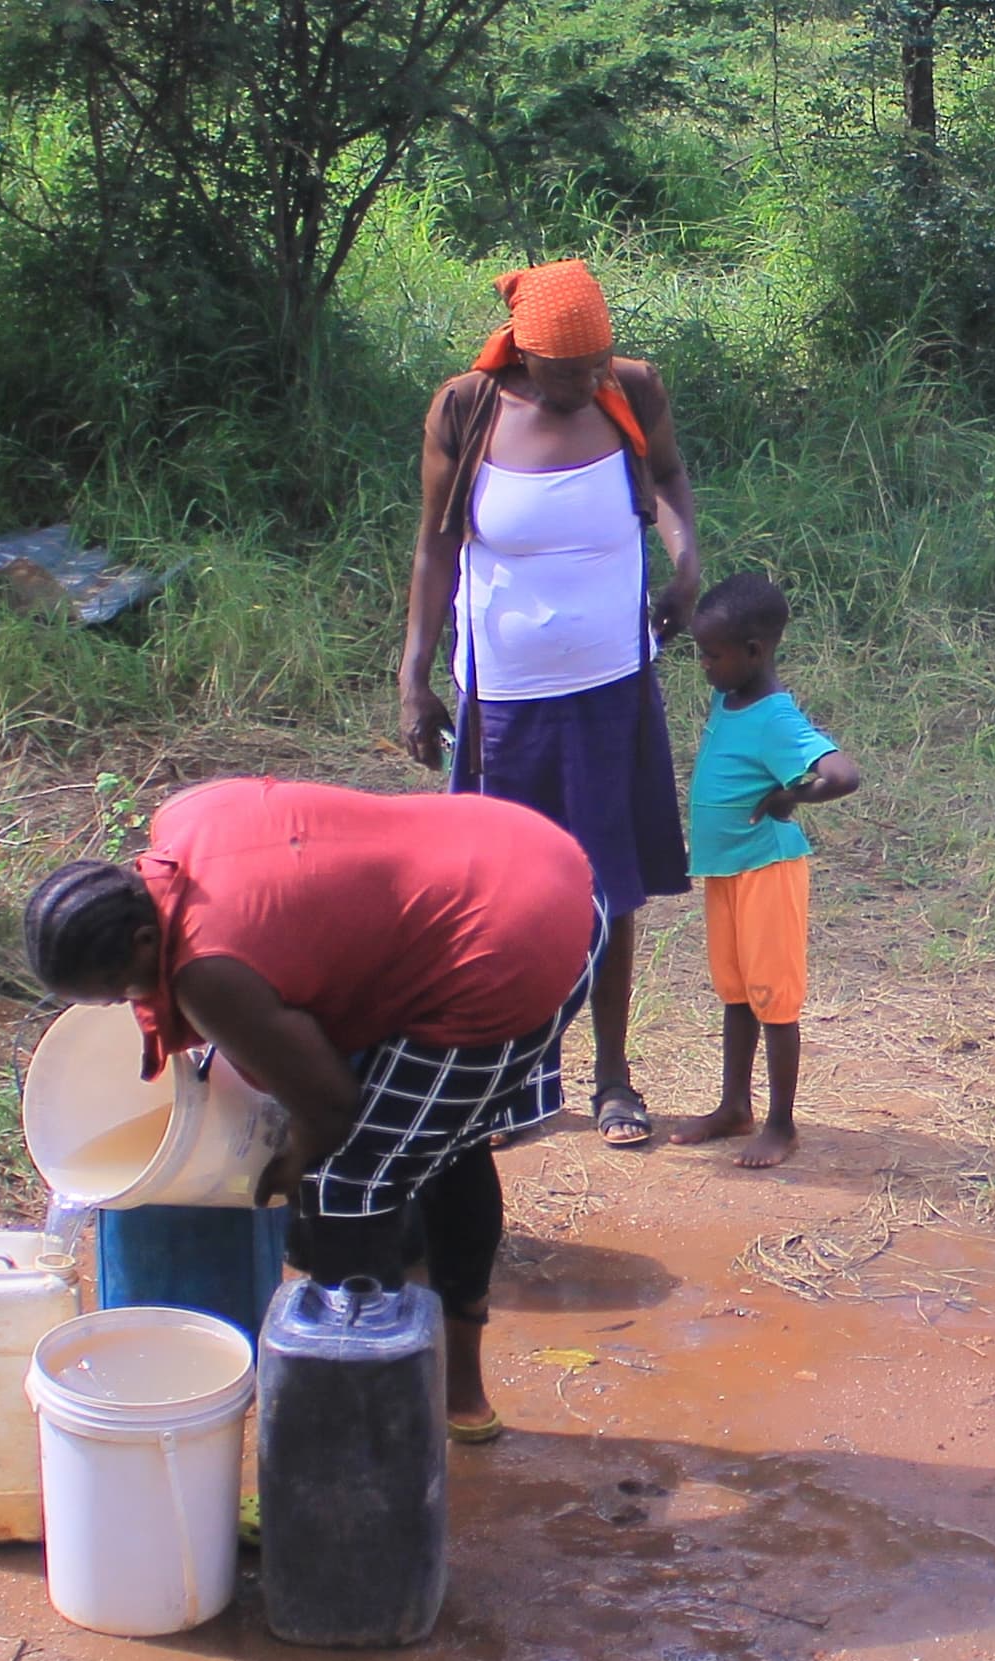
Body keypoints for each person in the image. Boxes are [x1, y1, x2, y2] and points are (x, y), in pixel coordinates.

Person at [19, 780, 604, 1443]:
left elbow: (329, 1110)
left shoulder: (206, 971)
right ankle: (450, 1390)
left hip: (509, 938)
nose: (127, 1003)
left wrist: (290, 1168)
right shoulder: (184, 819)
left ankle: (366, 1432)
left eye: (119, 988)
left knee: (348, 1187)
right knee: (440, 1137)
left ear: (141, 939)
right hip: (523, 852)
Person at [397, 257, 702, 1152]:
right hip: (504, 698)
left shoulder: (631, 392)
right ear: (525, 358)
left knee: (611, 888)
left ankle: (613, 1078)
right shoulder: (468, 409)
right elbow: (433, 550)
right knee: (503, 896)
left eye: (599, 363)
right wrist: (415, 678)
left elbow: (673, 484)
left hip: (612, 686)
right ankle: (508, 1081)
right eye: (571, 372)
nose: (589, 381)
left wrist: (686, 566)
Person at [668, 572, 863, 1170]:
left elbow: (842, 774)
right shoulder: (730, 696)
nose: (703, 665)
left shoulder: (775, 717)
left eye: (713, 655)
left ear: (755, 652)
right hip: (728, 872)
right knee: (735, 993)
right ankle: (735, 1107)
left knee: (774, 1001)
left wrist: (791, 798)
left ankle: (781, 1123)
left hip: (767, 872)